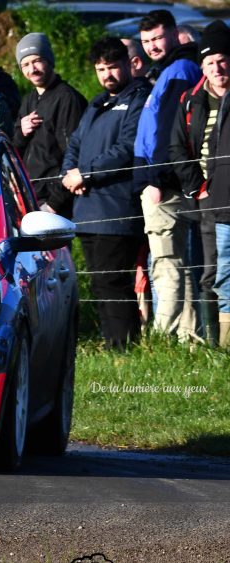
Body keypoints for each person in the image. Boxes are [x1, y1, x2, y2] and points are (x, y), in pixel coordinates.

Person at [61, 37, 150, 349]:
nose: (107, 74)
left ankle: (123, 344)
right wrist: (69, 174)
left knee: (114, 281)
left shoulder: (138, 98)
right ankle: (111, 342)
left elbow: (127, 148)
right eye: (101, 69)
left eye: (112, 67)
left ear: (128, 64)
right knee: (99, 282)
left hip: (116, 209)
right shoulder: (97, 103)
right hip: (86, 209)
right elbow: (74, 144)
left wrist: (87, 173)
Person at [134, 9, 202, 342]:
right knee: (177, 262)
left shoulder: (179, 69)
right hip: (161, 178)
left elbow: (168, 129)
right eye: (146, 41)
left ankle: (167, 335)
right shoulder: (168, 69)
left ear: (174, 34)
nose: (152, 46)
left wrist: (156, 178)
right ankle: (188, 336)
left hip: (163, 183)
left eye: (158, 38)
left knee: (166, 261)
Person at [170, 22, 230, 346]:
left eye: (222, 60)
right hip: (207, 200)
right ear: (202, 66)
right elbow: (177, 149)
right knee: (211, 273)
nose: (216, 68)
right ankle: (215, 344)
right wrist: (199, 188)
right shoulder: (190, 100)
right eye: (209, 62)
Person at [13, 32, 87, 219]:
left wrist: (54, 204)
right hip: (30, 196)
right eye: (25, 65)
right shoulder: (29, 100)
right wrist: (22, 132)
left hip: (53, 202)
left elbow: (75, 154)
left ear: (49, 61)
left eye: (37, 61)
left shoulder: (67, 99)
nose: (32, 69)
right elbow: (15, 149)